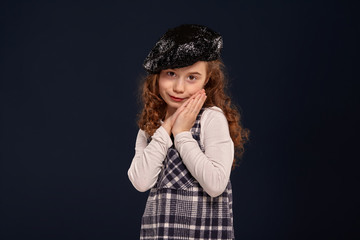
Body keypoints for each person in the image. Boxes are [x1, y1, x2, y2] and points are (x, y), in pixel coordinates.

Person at [128, 24, 249, 240]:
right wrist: (166, 129)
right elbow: (141, 182)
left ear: (207, 80)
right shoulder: (152, 125)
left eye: (192, 77)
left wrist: (183, 134)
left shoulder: (211, 119)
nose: (179, 88)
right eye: (171, 73)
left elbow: (215, 185)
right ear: (157, 76)